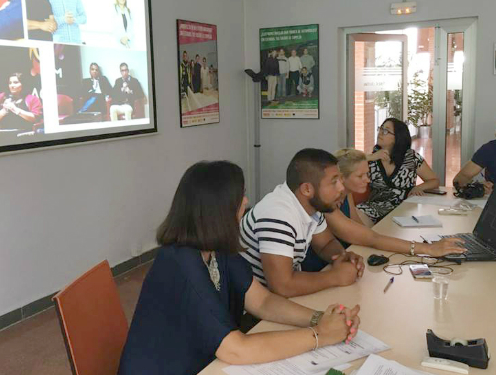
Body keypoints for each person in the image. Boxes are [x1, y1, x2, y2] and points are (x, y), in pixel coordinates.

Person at [117, 161, 361, 375]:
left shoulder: (217, 249)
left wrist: (320, 319)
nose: (246, 201)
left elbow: (262, 301)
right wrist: (320, 335)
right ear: (217, 209)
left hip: (204, 362)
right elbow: (236, 349)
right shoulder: (180, 264)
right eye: (240, 196)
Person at [301, 149, 466, 272]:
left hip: (343, 260)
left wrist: (390, 243)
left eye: (367, 174)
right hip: (320, 269)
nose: (368, 180)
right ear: (341, 178)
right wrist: (427, 249)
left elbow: (360, 228)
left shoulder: (346, 195)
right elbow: (370, 238)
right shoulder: (326, 204)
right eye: (360, 176)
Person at [240, 149, 365, 298]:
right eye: (334, 182)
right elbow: (282, 286)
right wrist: (336, 277)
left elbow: (325, 244)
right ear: (307, 189)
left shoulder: (310, 205)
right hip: (255, 305)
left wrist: (343, 257)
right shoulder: (278, 215)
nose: (341, 188)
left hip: (279, 298)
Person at [357, 118, 440, 225]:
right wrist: (370, 157)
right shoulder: (372, 158)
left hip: (404, 207)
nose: (380, 133)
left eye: (386, 131)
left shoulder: (411, 157)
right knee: (356, 214)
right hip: (375, 207)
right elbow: (346, 167)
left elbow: (434, 181)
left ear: (397, 137)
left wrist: (418, 188)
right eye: (380, 129)